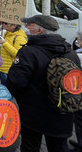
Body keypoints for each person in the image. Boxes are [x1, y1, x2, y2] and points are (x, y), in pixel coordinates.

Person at [7, 15, 80, 152]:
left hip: (33, 114)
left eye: (29, 25)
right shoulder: (69, 51)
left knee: (30, 146)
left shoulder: (29, 52)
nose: (26, 28)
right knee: (59, 147)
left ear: (39, 30)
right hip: (63, 112)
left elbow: (15, 82)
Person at [0, 21, 27, 85]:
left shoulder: (19, 38)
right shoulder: (7, 33)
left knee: (9, 91)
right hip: (2, 67)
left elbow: (19, 54)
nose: (3, 24)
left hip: (9, 70)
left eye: (6, 23)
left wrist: (5, 44)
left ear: (14, 26)